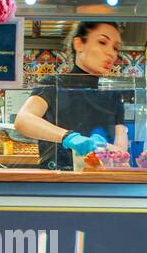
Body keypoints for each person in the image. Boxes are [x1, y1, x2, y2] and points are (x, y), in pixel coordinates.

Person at [13, 22, 131, 170]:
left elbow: (121, 144)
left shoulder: (112, 95)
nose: (111, 53)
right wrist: (69, 137)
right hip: (56, 179)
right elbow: (23, 120)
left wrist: (112, 153)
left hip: (98, 179)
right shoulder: (53, 83)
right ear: (79, 44)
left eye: (115, 48)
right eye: (102, 42)